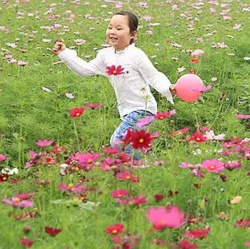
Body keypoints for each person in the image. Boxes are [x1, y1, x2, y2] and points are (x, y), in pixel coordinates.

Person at [53, 11, 175, 155]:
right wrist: (64, 53)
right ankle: (152, 167)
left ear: (133, 35)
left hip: (143, 109)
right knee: (133, 144)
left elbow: (153, 76)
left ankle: (144, 166)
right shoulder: (105, 55)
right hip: (126, 111)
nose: (112, 32)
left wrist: (167, 87)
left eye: (119, 28)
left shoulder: (136, 55)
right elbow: (85, 70)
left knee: (118, 141)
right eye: (110, 27)